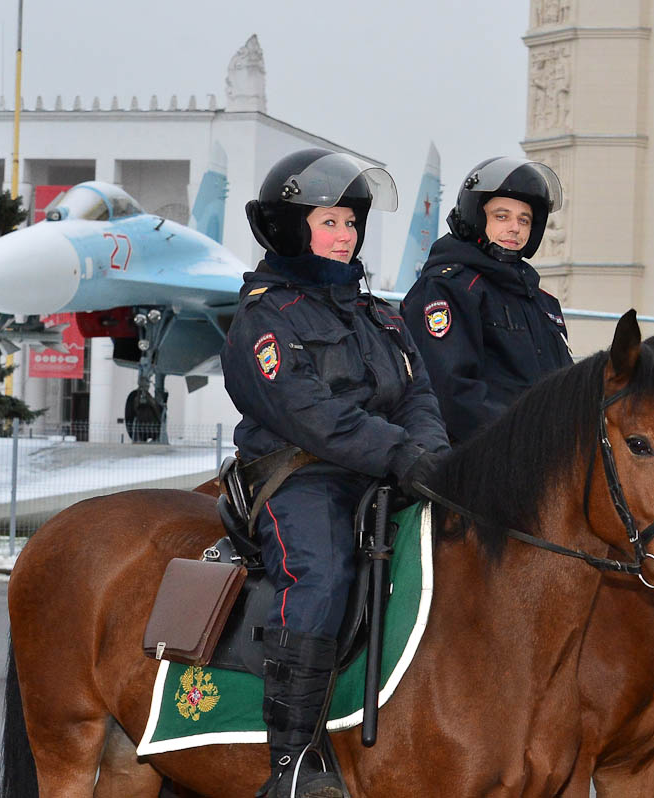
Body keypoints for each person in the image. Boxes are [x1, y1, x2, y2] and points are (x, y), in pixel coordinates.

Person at [222, 148, 449, 798]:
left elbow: (418, 396)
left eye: (351, 224)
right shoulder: (264, 319)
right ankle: (292, 764)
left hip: (386, 469)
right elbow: (310, 416)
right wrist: (403, 454)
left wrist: (427, 454)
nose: (345, 236)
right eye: (329, 223)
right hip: (301, 477)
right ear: (292, 229)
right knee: (322, 573)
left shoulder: (378, 314)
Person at [401, 157, 572, 443]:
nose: (515, 228)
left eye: (524, 220)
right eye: (502, 216)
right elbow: (452, 393)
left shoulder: (543, 303)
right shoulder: (449, 288)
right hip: (482, 455)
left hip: (550, 454)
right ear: (476, 217)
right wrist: (529, 438)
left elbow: (566, 386)